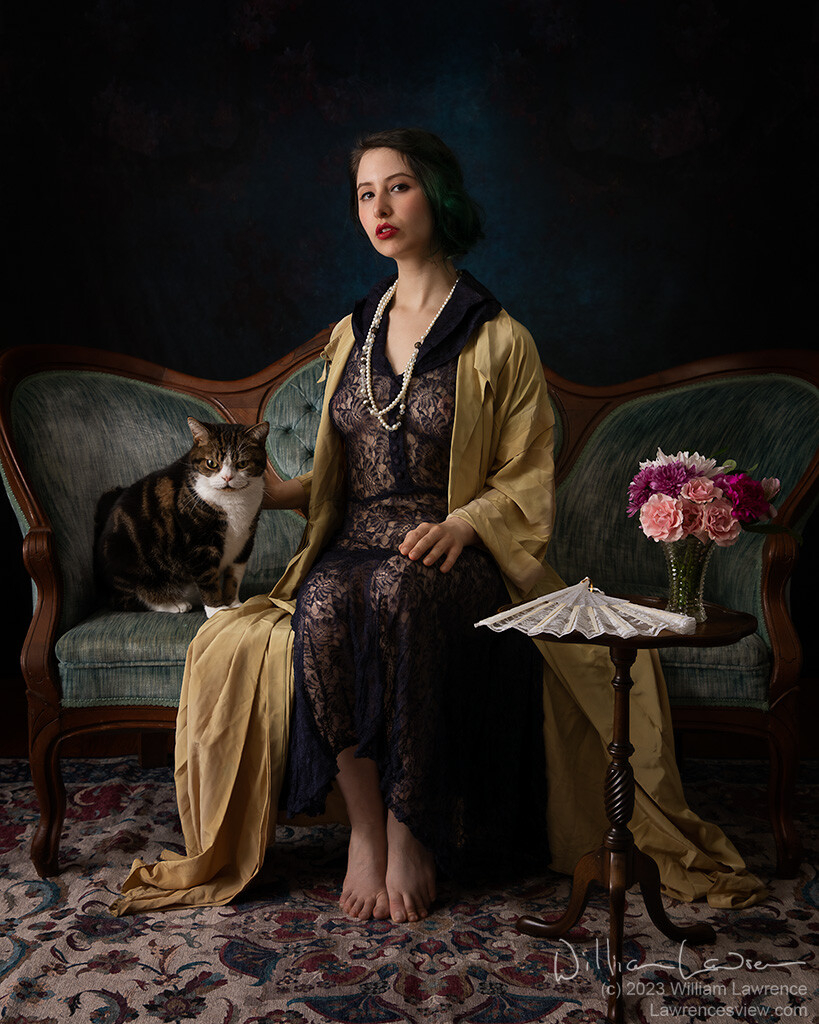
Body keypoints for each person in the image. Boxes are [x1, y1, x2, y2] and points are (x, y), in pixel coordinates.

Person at [111, 128, 766, 921]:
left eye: (398, 187)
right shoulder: (350, 333)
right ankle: (362, 830)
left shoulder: (499, 338)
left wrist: (465, 525)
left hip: (457, 552)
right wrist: (270, 493)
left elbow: (523, 478)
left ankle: (407, 826)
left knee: (400, 590)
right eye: (364, 193)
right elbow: (343, 468)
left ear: (437, 196)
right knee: (320, 603)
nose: (379, 207)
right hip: (352, 540)